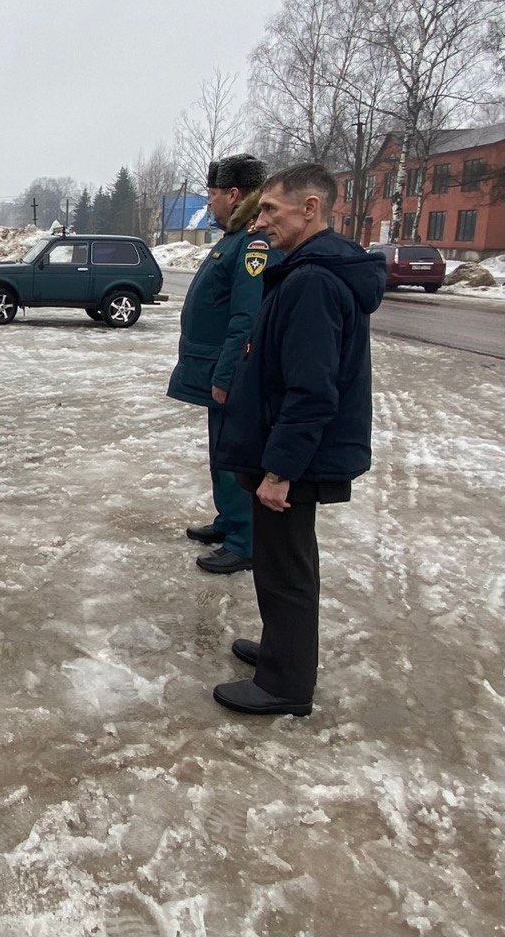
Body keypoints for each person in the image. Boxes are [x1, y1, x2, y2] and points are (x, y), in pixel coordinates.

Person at [212, 163, 385, 715]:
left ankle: (285, 684)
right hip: (289, 450)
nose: (259, 220)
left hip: (295, 458)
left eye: (270, 210)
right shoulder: (307, 269)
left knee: (287, 568)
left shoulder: (312, 281)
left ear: (310, 209)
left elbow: (312, 391)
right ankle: (282, 649)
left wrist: (280, 470)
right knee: (281, 559)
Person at [167, 154, 281, 576]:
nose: (210, 202)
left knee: (234, 456)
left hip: (229, 371)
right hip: (212, 365)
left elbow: (246, 317)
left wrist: (227, 374)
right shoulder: (234, 235)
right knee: (221, 452)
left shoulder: (252, 242)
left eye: (213, 194)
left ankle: (244, 541)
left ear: (234, 195)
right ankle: (229, 521)